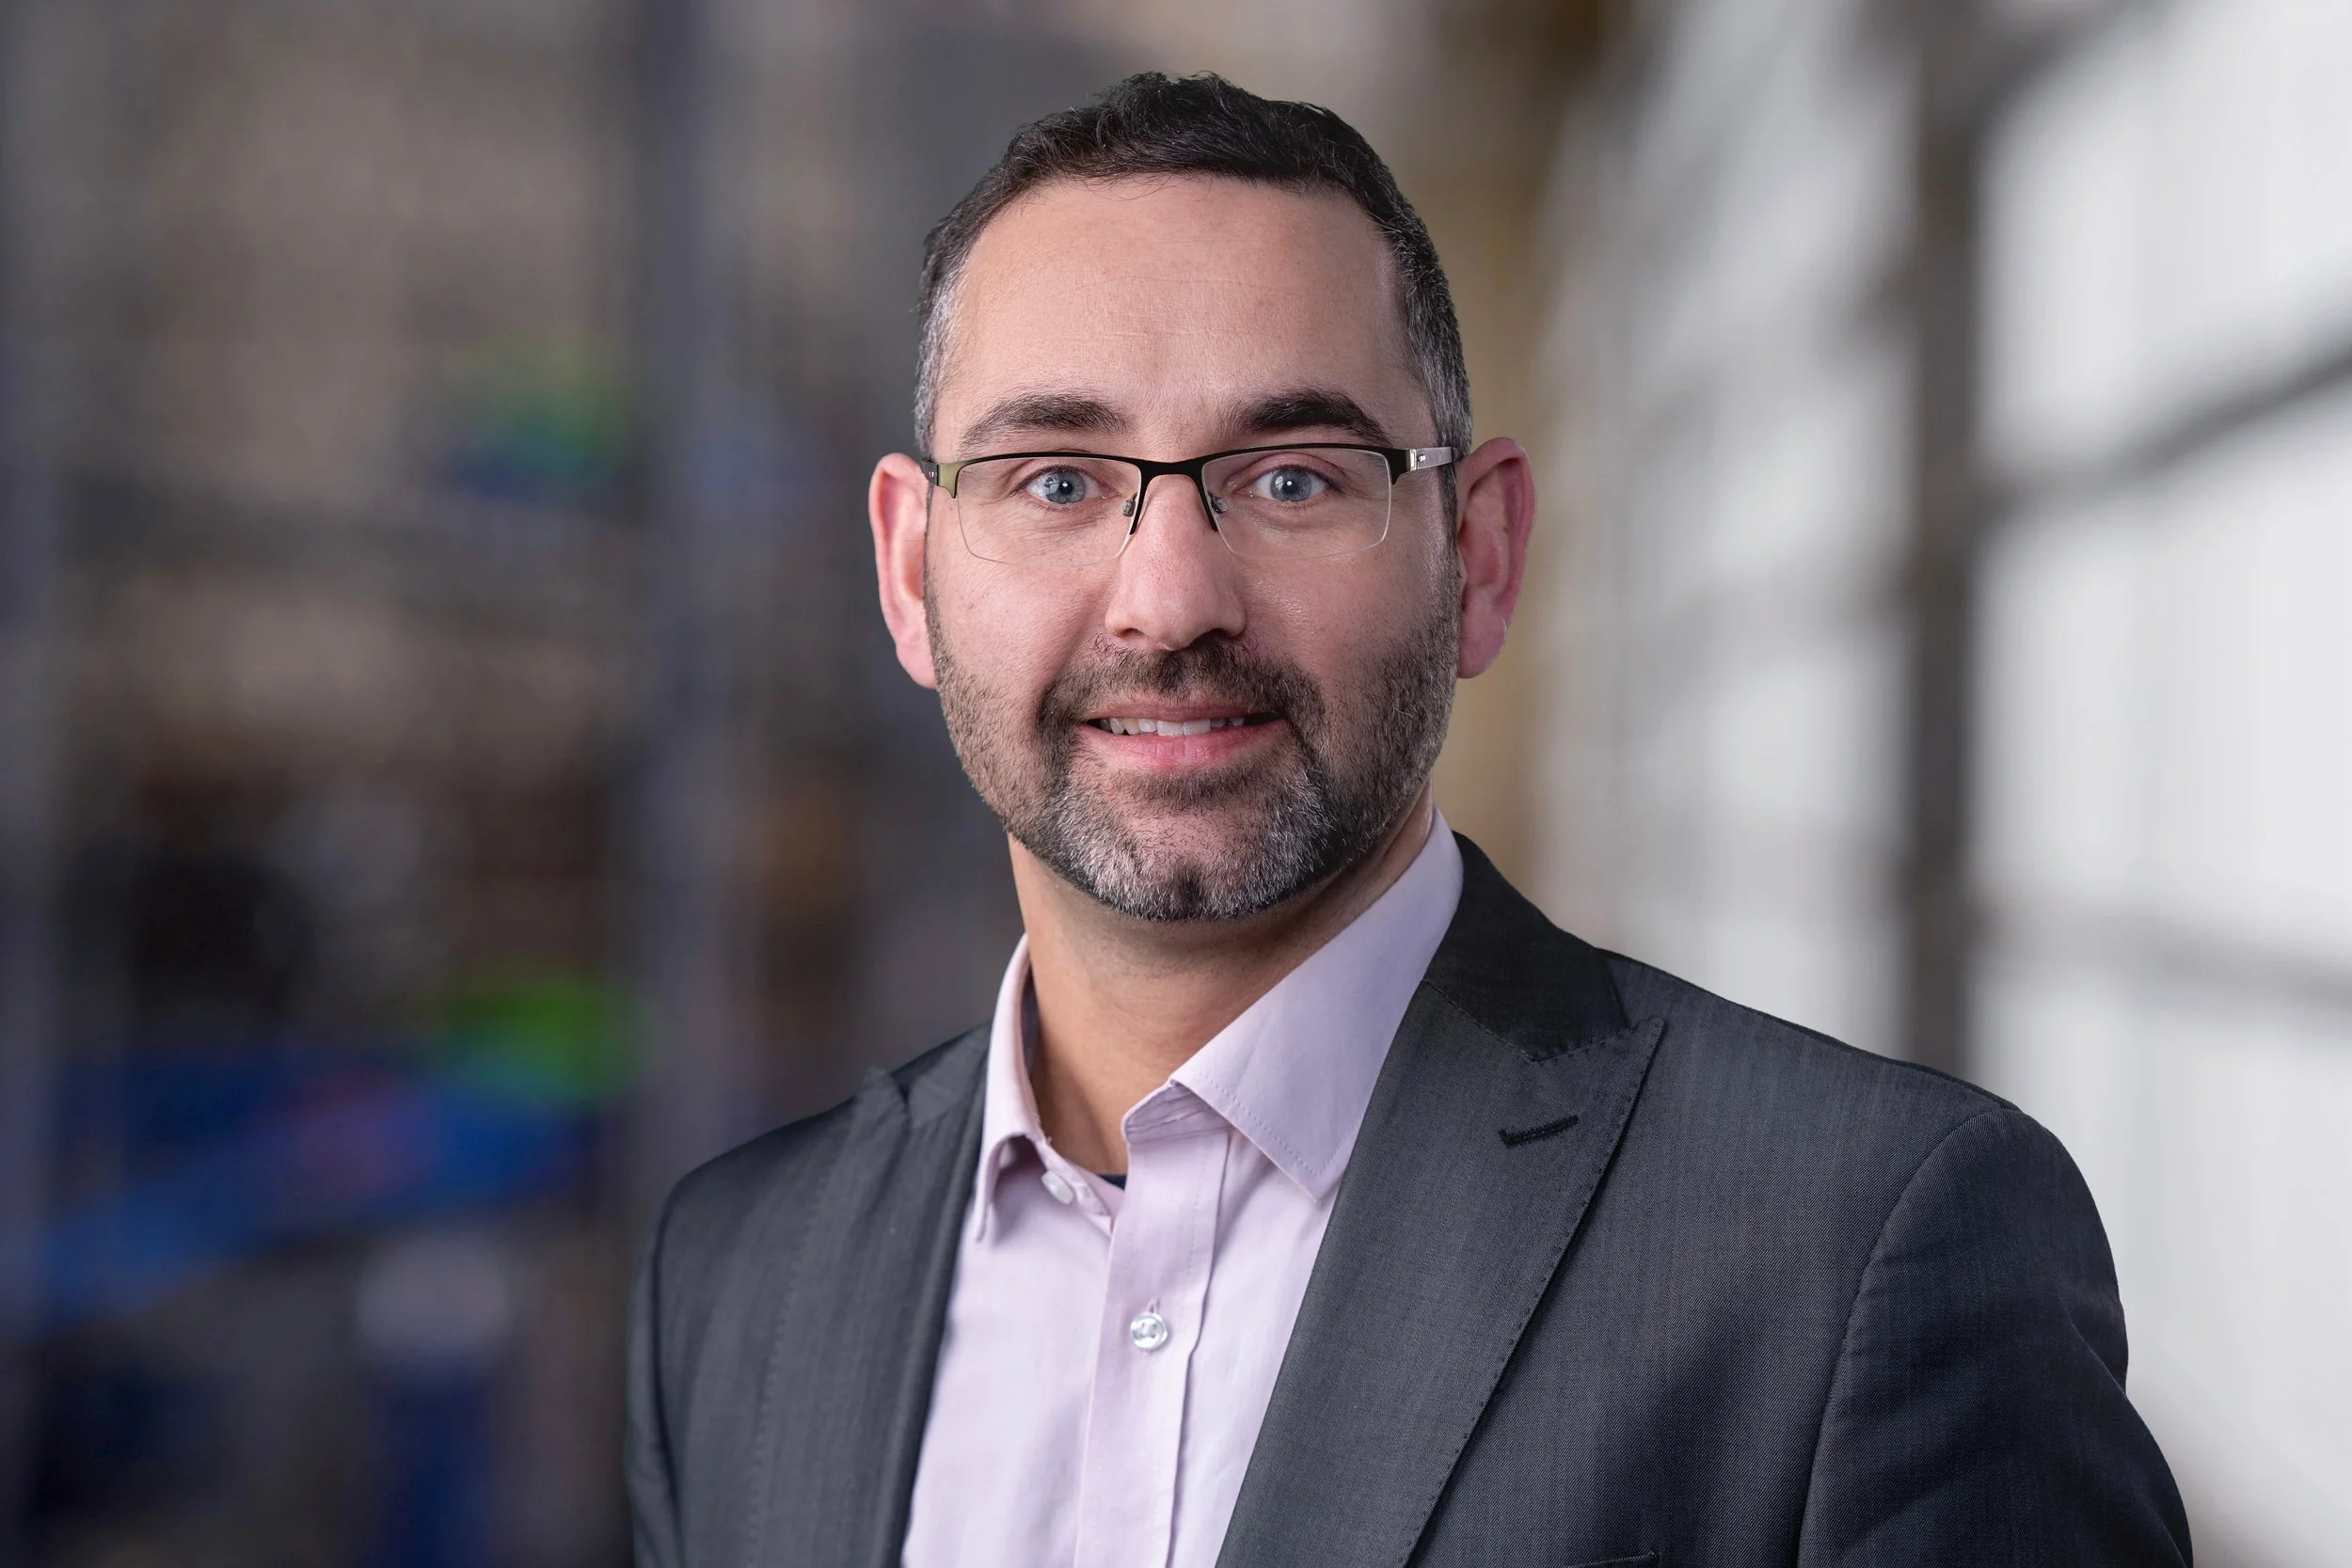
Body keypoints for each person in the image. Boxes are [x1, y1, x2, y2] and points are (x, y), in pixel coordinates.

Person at [625, 72, 2189, 1568]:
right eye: (1055, 481)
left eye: (1294, 479)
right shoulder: (734, 1281)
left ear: (1478, 555)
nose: (1168, 599)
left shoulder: (1861, 1248)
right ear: (909, 571)